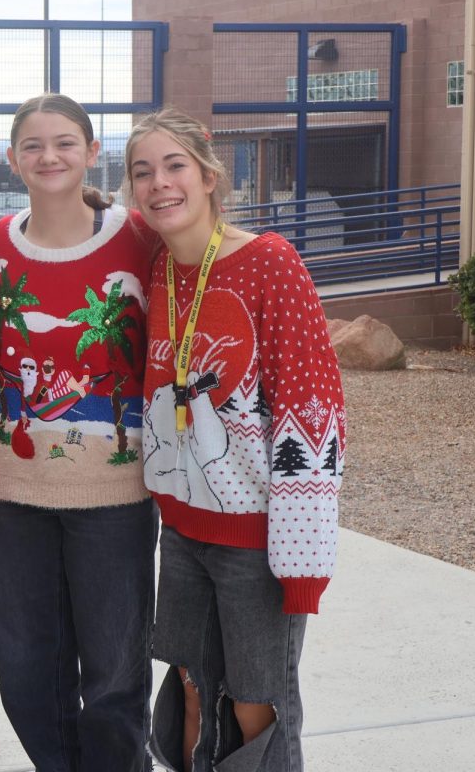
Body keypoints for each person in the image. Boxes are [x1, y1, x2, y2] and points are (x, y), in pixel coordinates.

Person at [125, 107, 344, 772]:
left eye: (174, 166)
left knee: (257, 708)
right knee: (191, 694)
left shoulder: (269, 263)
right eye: (143, 171)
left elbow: (313, 412)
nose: (160, 183)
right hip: (184, 533)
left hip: (254, 542)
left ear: (210, 175)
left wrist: (302, 567)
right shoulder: (160, 268)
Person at [0, 93, 160, 771]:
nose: (48, 156)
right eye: (32, 144)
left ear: (91, 152)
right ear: (12, 159)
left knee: (114, 676)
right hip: (14, 490)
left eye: (64, 143)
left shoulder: (136, 237)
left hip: (114, 496)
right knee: (25, 668)